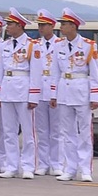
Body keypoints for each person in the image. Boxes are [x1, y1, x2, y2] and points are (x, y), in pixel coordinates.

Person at [0, 9, 44, 179]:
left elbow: (36, 73)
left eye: (10, 24)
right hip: (7, 90)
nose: (7, 27)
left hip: (24, 90)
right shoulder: (4, 46)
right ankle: (12, 165)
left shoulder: (32, 45)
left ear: (20, 26)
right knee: (8, 131)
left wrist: (34, 96)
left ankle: (28, 166)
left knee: (29, 132)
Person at [52, 9, 98, 182]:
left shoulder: (88, 45)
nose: (61, 27)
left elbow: (94, 72)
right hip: (64, 91)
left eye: (64, 24)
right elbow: (55, 71)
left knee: (85, 133)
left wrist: (95, 96)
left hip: (82, 91)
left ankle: (85, 169)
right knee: (67, 133)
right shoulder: (58, 45)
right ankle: (70, 168)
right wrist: (53, 94)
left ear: (73, 26)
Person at [33, 11, 63, 178]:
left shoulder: (60, 44)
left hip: (54, 90)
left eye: (44, 25)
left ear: (52, 26)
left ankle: (56, 163)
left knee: (56, 130)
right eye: (39, 25)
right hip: (39, 90)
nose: (41, 28)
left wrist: (55, 93)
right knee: (42, 130)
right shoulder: (35, 45)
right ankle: (43, 163)